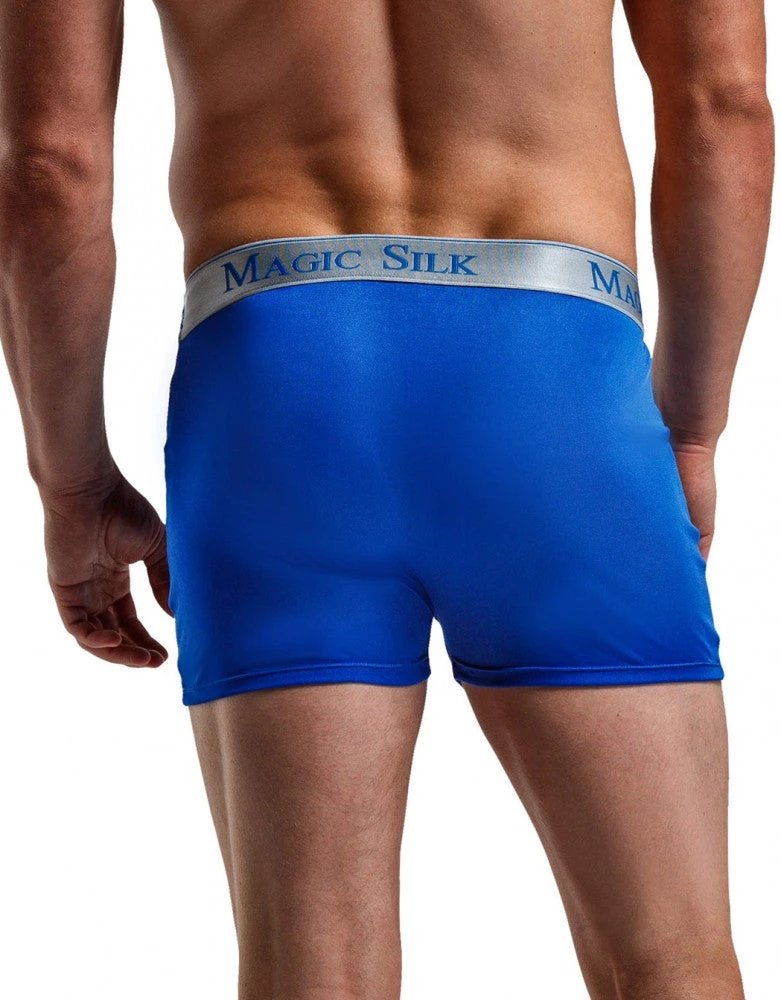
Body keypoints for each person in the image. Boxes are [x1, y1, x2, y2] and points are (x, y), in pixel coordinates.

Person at [0, 0, 774, 997]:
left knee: (313, 972)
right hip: (552, 384)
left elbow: (49, 167)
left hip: (277, 383)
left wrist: (71, 483)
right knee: (672, 961)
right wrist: (693, 427)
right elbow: (723, 103)